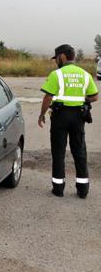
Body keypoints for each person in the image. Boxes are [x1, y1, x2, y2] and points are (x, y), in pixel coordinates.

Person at [38, 44, 98, 199]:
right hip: (79, 117)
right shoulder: (85, 74)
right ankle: (83, 190)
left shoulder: (56, 75)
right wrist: (82, 99)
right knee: (79, 152)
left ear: (62, 56)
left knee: (58, 152)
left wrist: (41, 115)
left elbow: (48, 97)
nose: (56, 61)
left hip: (60, 117)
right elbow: (94, 96)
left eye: (56, 58)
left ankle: (58, 189)